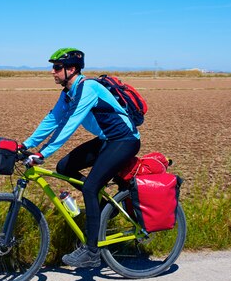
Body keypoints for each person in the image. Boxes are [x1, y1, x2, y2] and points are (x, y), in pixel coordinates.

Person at [21, 48, 141, 268]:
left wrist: (42, 153)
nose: (52, 72)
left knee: (89, 188)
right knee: (64, 167)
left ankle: (92, 252)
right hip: (107, 140)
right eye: (53, 67)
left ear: (72, 69)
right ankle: (106, 208)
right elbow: (53, 119)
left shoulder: (88, 88)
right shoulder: (68, 93)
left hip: (124, 140)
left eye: (57, 67)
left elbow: (69, 124)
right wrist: (26, 145)